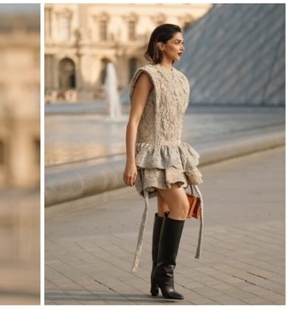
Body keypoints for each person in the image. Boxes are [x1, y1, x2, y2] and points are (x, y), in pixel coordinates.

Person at [123, 23, 204, 300]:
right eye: (177, 42)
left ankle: (156, 277)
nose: (182, 47)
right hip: (152, 154)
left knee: (166, 210)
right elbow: (133, 120)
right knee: (181, 205)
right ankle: (165, 275)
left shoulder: (182, 79)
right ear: (160, 44)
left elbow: (176, 121)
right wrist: (131, 162)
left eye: (183, 42)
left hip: (174, 154)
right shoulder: (147, 75)